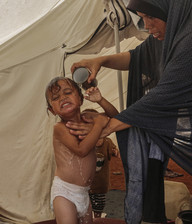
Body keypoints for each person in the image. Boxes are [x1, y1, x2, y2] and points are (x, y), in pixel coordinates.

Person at [66, 1, 192, 223]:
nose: (146, 26)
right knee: (152, 177)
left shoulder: (187, 41)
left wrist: (106, 127)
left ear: (168, 12)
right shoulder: (168, 36)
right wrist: (100, 60)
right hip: (157, 134)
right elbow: (137, 58)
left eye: (150, 18)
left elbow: (160, 97)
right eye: (141, 18)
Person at [45, 77, 110, 224]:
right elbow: (82, 150)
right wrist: (99, 125)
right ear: (52, 110)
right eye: (56, 98)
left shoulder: (88, 119)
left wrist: (100, 100)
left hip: (84, 193)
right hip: (65, 193)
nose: (63, 98)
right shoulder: (60, 128)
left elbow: (117, 118)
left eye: (68, 92)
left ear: (80, 99)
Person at [82, 88, 119, 218]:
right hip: (83, 186)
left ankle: (97, 217)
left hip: (99, 185)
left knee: (98, 208)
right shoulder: (81, 140)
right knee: (84, 210)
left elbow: (115, 116)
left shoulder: (107, 141)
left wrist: (115, 151)